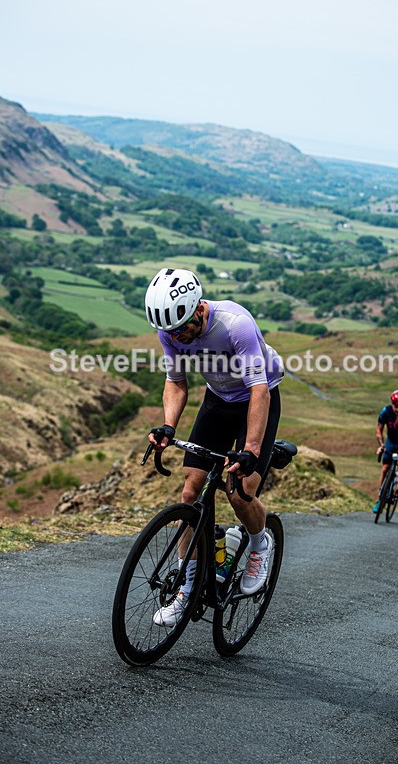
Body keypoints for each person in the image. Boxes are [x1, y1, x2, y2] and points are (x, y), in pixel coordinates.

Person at [144, 267, 284, 626]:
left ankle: (258, 544)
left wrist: (251, 449)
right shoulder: (170, 332)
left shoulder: (235, 324)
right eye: (170, 333)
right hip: (218, 400)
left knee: (239, 492)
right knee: (190, 494)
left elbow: (258, 389)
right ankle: (186, 590)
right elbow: (176, 381)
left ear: (198, 310)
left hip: (257, 397)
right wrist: (168, 426)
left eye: (183, 330)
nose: (178, 339)